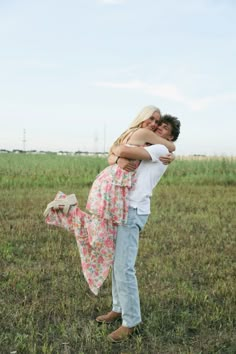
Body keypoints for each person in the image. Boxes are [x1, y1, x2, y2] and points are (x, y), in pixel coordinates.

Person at [44, 106, 175, 295]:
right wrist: (172, 148)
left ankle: (70, 208)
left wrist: (116, 158)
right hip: (113, 186)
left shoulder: (136, 135)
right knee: (100, 237)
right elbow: (121, 149)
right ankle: (70, 209)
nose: (154, 125)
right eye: (152, 119)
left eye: (158, 122)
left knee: (102, 232)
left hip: (112, 183)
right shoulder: (145, 134)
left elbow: (115, 150)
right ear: (143, 117)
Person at [95, 114, 181, 343]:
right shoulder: (152, 146)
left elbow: (122, 151)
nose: (158, 130)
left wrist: (117, 149)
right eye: (158, 126)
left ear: (170, 137)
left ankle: (131, 321)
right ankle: (117, 308)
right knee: (117, 263)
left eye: (164, 129)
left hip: (133, 212)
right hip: (122, 207)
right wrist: (116, 153)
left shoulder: (161, 151)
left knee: (125, 267)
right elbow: (117, 154)